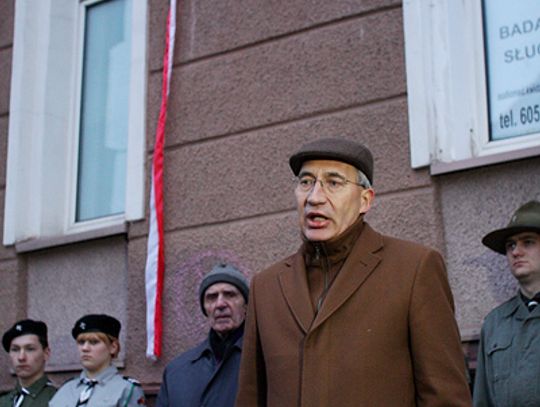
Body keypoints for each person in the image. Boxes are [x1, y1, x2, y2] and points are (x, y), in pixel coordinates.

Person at [235, 138, 472, 406]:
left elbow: (445, 397)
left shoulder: (414, 269)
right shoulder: (265, 287)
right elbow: (250, 397)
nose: (314, 197)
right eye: (306, 182)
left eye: (334, 183)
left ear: (364, 200)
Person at [473, 200, 540, 407]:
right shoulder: (495, 323)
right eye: (511, 245)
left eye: (528, 242)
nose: (516, 252)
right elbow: (482, 398)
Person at [156, 263, 249, 407]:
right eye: (212, 297)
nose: (220, 304)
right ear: (205, 309)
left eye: (230, 295)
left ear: (246, 306)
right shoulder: (177, 371)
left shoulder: (263, 362)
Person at [49, 314, 146, 407]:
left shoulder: (126, 389)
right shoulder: (66, 389)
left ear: (113, 347)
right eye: (81, 342)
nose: (85, 348)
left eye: (94, 342)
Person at [0, 320, 56, 407]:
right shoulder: (4, 401)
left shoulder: (58, 399)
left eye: (30, 349)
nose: (21, 357)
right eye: (15, 349)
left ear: (46, 353)